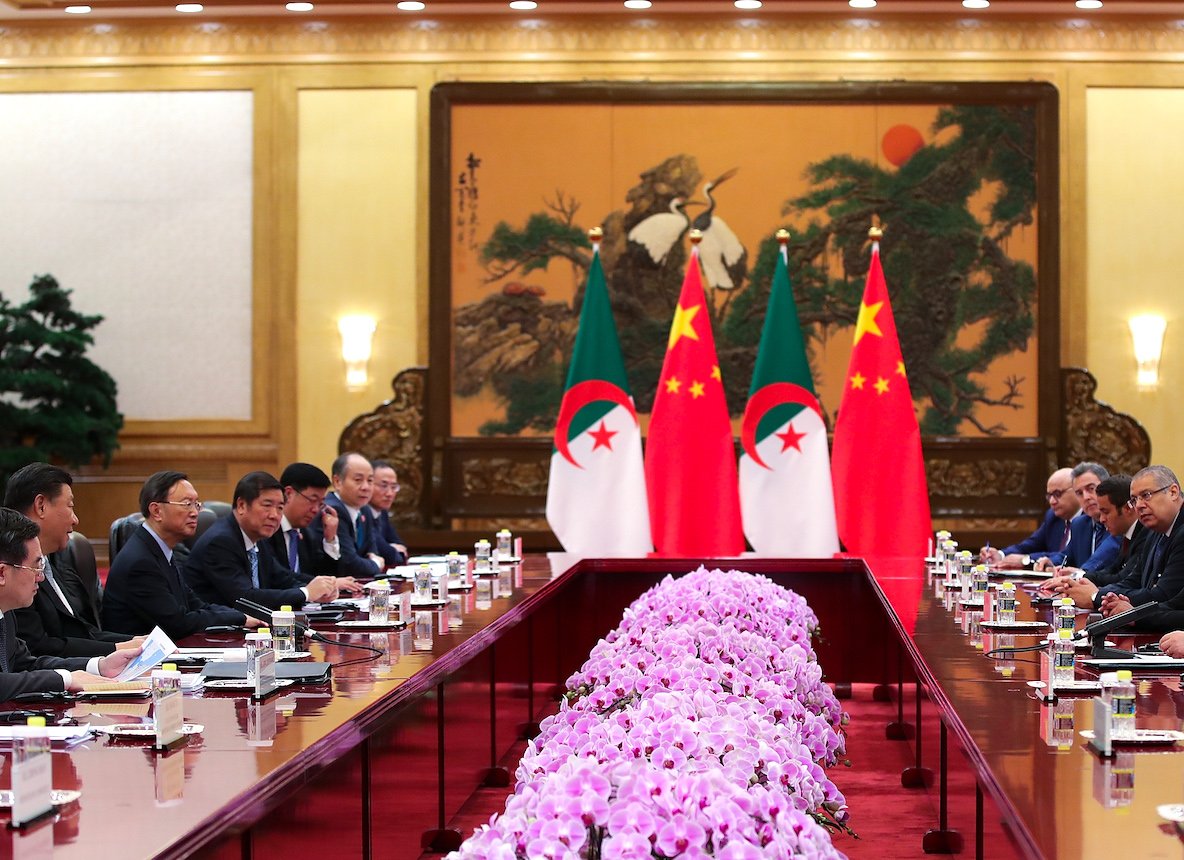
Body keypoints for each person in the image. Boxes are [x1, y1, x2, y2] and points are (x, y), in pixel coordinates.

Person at [0, 507, 142, 699]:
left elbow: (27, 665)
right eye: (35, 567)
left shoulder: (6, 613)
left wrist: (99, 666)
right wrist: (64, 680)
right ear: (2, 573)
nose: (41, 577)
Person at [3, 462, 139, 657]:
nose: (75, 520)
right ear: (41, 506)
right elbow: (36, 647)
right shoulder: (13, 567)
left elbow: (79, 631)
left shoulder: (54, 559)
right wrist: (115, 649)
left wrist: (130, 643)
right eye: (70, 506)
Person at [103, 471, 258, 638]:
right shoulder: (140, 562)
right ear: (156, 511)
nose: (195, 512)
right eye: (186, 504)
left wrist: (241, 616)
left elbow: (195, 605)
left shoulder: (162, 550)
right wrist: (238, 618)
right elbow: (178, 623)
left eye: (196, 504)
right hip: (138, 660)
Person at [184, 471, 339, 610]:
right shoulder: (221, 541)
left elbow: (283, 578)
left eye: (280, 507)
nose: (275, 515)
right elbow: (246, 599)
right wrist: (306, 593)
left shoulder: (257, 538)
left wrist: (322, 586)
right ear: (242, 505)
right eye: (267, 505)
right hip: (212, 636)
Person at [1093, 465, 1184, 622]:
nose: (1139, 505)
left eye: (1146, 495)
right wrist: (1113, 600)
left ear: (1173, 492)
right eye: (1135, 499)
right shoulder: (1154, 531)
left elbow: (1164, 595)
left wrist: (1095, 595)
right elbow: (1133, 579)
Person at [1042, 474, 1148, 607]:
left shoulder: (1146, 533)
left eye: (1106, 512)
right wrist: (1079, 580)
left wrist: (1093, 595)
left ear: (1127, 508)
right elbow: (1114, 571)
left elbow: (1126, 580)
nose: (1102, 519)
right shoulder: (1125, 532)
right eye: (1079, 493)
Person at [265, 462, 363, 596]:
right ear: (288, 494)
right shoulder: (267, 531)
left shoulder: (306, 533)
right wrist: (331, 583)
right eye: (312, 500)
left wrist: (330, 539)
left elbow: (324, 574)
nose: (316, 509)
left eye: (321, 503)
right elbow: (279, 578)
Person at [979, 467, 1080, 569]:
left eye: (1057, 494)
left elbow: (1067, 557)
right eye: (1049, 496)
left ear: (1077, 490)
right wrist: (1000, 555)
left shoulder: (1089, 520)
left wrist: (1026, 560)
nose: (1052, 501)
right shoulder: (1053, 517)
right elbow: (1030, 545)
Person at [1033, 462, 1120, 572]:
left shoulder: (1119, 520)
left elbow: (1103, 556)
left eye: (1091, 488)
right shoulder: (1080, 524)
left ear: (1108, 487)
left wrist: (1081, 574)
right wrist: (1051, 563)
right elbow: (1066, 556)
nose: (1086, 497)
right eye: (1079, 493)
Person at [309, 452, 384, 579]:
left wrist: (372, 560)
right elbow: (349, 564)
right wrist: (375, 564)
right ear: (337, 482)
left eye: (370, 480)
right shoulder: (331, 510)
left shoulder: (365, 509)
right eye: (358, 480)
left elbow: (372, 550)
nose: (366, 487)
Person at [369, 460, 408, 567]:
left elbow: (401, 549)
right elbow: (390, 554)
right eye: (383, 485)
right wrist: (392, 548)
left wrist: (392, 548)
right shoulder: (361, 513)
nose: (390, 493)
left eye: (394, 487)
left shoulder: (382, 512)